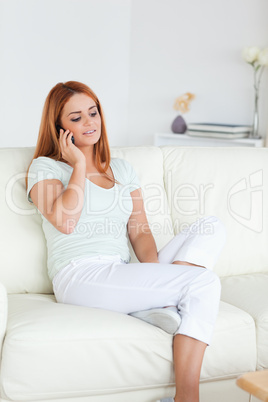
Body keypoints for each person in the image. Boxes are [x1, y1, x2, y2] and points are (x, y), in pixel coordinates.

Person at [26, 81, 226, 402]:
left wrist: (161, 281)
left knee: (211, 226)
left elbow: (140, 232)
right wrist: (78, 165)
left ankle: (158, 303)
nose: (89, 123)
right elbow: (65, 221)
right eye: (76, 118)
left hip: (119, 271)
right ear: (59, 127)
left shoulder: (121, 169)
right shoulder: (45, 167)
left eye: (93, 113)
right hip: (80, 276)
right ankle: (186, 398)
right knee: (204, 284)